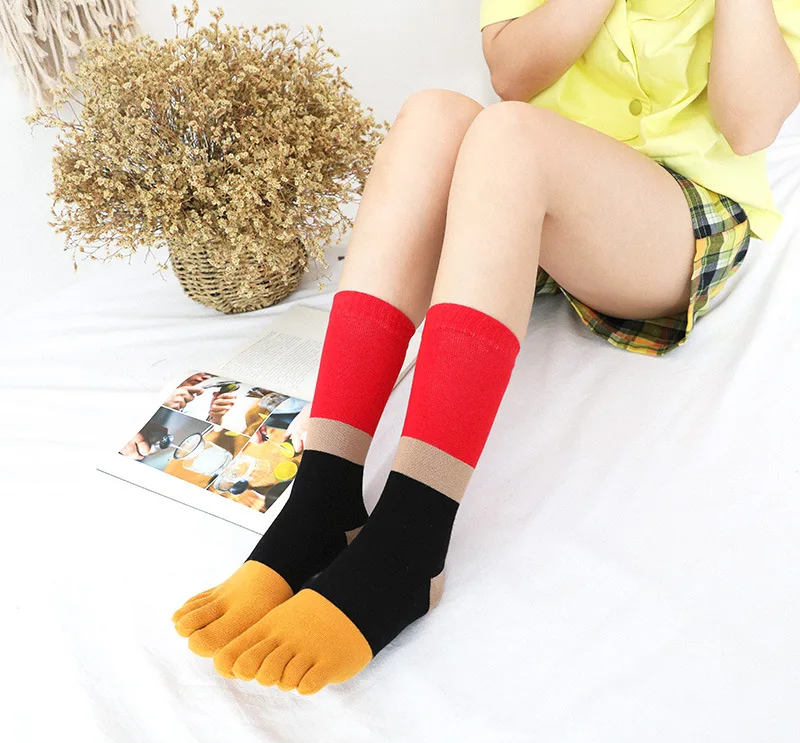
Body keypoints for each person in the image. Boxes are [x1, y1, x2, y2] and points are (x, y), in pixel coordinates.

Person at [172, 0, 800, 695]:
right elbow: (514, 73)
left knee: (511, 135)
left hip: (671, 220)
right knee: (434, 116)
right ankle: (323, 498)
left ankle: (410, 543)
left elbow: (751, 126)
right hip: (529, 194)